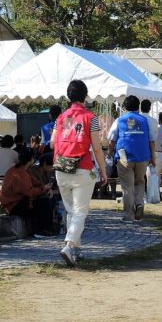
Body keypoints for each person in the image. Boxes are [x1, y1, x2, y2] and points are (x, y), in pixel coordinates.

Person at [52, 79, 108, 267]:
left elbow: (52, 142)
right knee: (80, 212)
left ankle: (76, 250)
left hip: (61, 168)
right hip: (82, 168)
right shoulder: (90, 118)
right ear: (85, 95)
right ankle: (69, 246)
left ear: (69, 96)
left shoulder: (60, 118)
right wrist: (103, 170)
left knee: (71, 211)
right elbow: (97, 148)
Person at [108, 94, 154, 221]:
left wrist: (110, 154)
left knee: (127, 186)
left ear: (125, 107)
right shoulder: (145, 120)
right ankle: (139, 204)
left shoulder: (120, 120)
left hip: (124, 157)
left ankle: (129, 214)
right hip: (142, 156)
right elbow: (151, 141)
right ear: (138, 107)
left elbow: (111, 139)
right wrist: (153, 157)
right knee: (140, 182)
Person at [0, 148, 58, 237]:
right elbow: (29, 192)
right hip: (13, 205)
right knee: (43, 202)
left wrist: (46, 188)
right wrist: (43, 188)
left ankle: (47, 229)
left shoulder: (22, 170)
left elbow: (35, 182)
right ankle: (40, 231)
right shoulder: (20, 173)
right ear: (31, 160)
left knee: (48, 200)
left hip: (18, 201)